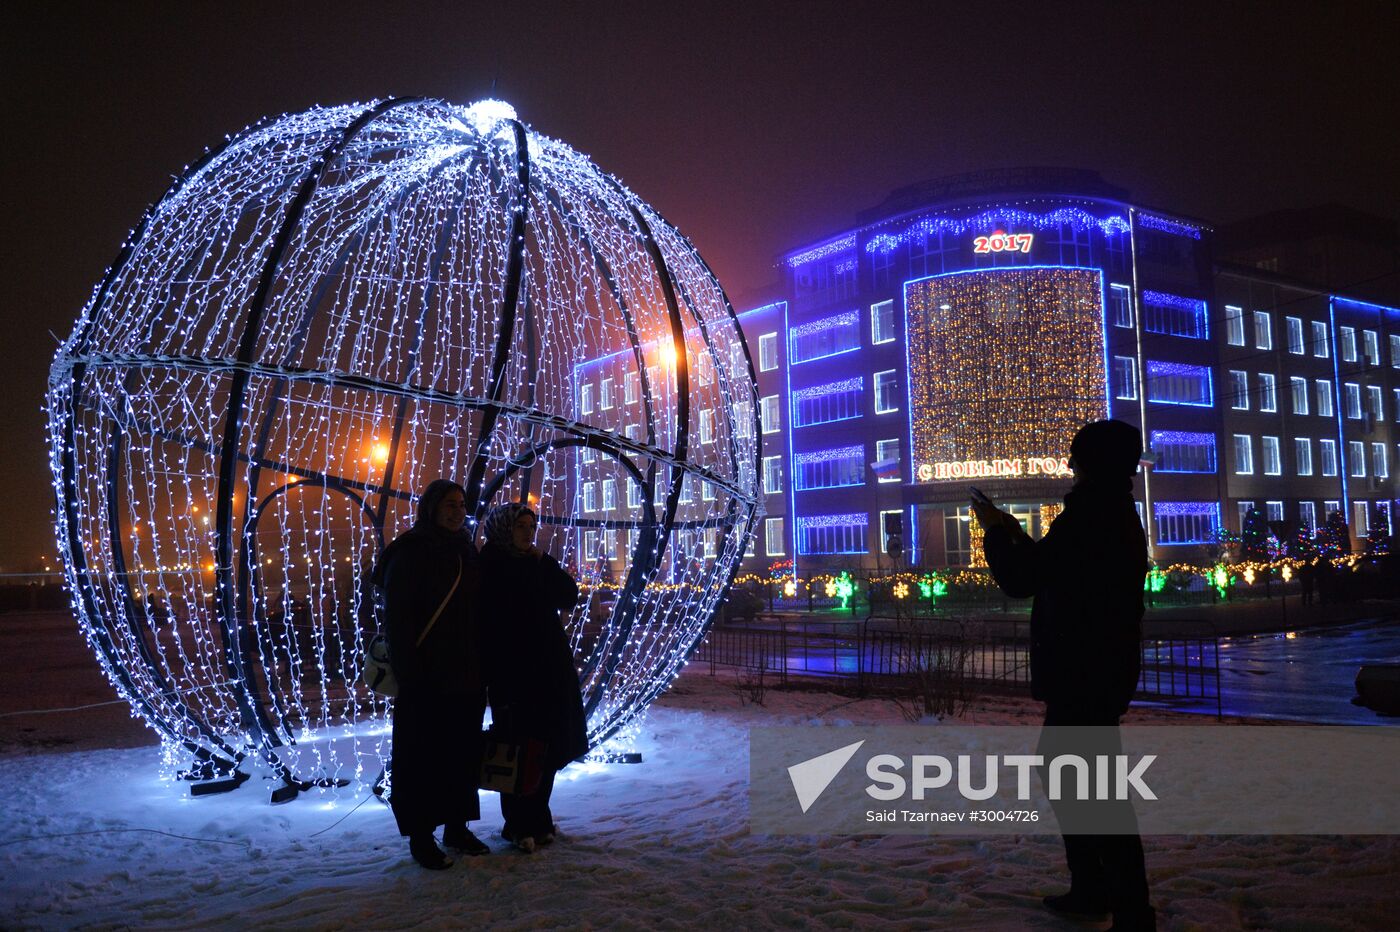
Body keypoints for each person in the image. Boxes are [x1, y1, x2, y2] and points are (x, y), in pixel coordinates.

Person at [971, 419, 1155, 932]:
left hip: (1084, 672)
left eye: (1076, 456)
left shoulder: (1091, 515)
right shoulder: (1109, 513)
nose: (1070, 464)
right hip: (1094, 670)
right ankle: (1096, 889)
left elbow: (1026, 576)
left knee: (1093, 793)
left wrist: (994, 535)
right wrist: (1010, 531)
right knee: (1076, 782)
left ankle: (1126, 907)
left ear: (1093, 464)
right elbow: (1050, 566)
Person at [374, 479, 488, 869]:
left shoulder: (465, 549)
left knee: (461, 753)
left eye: (461, 504)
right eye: (449, 505)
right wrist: (411, 673)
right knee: (422, 757)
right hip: (425, 675)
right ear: (431, 507)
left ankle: (456, 826)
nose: (457, 511)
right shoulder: (411, 551)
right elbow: (399, 619)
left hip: (466, 673)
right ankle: (421, 836)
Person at [478, 501, 589, 852]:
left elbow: (568, 594)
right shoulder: (491, 565)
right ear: (503, 529)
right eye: (520, 526)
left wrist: (544, 560)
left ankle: (539, 817)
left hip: (549, 673)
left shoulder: (534, 562)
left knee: (547, 746)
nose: (528, 533)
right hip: (514, 674)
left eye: (531, 526)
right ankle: (518, 823)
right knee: (518, 749)